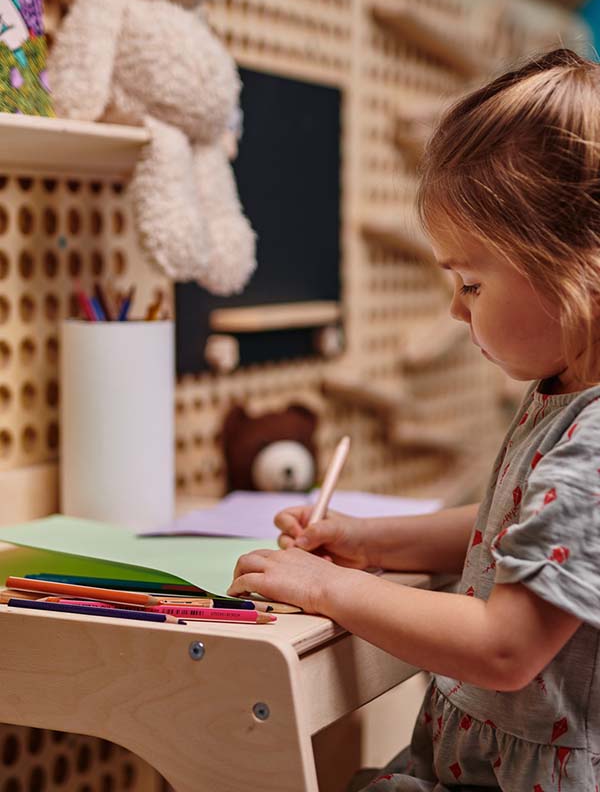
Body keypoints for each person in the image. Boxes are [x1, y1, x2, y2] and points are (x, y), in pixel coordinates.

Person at [227, 48, 600, 790]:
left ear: (575, 267)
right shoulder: (564, 391)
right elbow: (519, 532)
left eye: (469, 281)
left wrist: (326, 589)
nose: (454, 308)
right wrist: (371, 541)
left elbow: (505, 647)